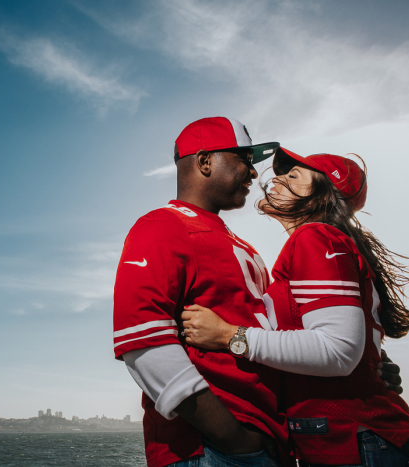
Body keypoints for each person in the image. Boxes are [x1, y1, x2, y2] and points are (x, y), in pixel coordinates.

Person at [179, 148, 409, 466]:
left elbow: (338, 351)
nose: (277, 179)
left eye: (293, 175)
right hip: (353, 444)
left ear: (322, 196)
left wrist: (230, 336)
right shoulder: (319, 243)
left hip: (362, 442)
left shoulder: (316, 239)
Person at [114, 116, 293, 467]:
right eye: (244, 159)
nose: (254, 173)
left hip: (266, 439)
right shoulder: (163, 225)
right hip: (210, 450)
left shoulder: (237, 242)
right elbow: (143, 343)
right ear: (205, 161)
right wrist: (234, 439)